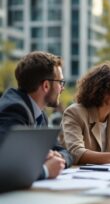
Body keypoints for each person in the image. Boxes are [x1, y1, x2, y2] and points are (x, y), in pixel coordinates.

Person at [0, 51, 73, 179]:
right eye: (60, 82)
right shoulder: (14, 110)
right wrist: (45, 170)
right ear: (46, 85)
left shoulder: (39, 115)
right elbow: (6, 169)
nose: (63, 88)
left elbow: (64, 151)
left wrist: (58, 158)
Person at [60, 62, 110, 165]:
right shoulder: (74, 113)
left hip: (104, 177)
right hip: (77, 177)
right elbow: (75, 152)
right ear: (104, 91)